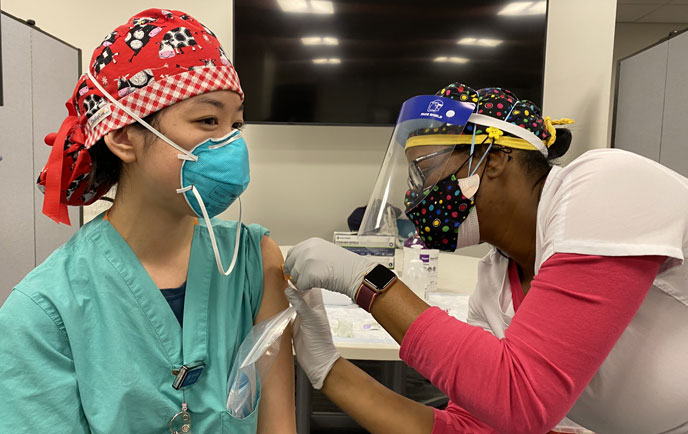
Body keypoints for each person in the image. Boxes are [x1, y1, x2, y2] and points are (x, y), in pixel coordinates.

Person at [284, 83, 688, 434]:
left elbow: (522, 399)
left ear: (491, 159)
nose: (416, 195)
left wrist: (367, 282)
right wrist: (327, 369)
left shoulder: (604, 184)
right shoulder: (494, 286)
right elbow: (468, 428)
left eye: (424, 171)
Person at [0, 9, 296, 433]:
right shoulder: (44, 312)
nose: (231, 144)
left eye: (236, 124)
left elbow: (277, 423)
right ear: (123, 136)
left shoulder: (253, 261)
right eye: (208, 120)